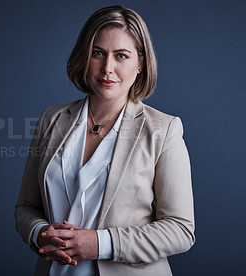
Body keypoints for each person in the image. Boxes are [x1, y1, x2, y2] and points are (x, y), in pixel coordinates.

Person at [15, 5, 195, 276]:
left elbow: (180, 229)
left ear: (140, 64)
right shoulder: (51, 119)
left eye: (121, 56)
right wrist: (40, 233)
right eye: (97, 53)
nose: (107, 68)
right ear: (84, 57)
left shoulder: (163, 129)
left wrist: (101, 244)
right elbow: (26, 207)